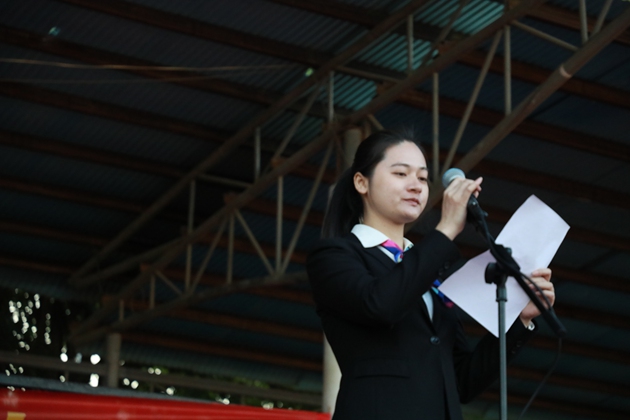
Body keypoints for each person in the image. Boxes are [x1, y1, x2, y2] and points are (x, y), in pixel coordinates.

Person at [306, 130, 555, 420]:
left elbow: (461, 381)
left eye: (423, 178)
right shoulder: (334, 255)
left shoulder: (429, 270)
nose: (416, 186)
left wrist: (520, 319)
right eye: (401, 174)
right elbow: (380, 305)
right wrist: (446, 229)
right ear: (362, 182)